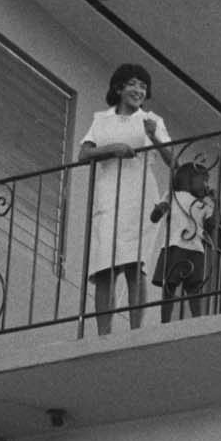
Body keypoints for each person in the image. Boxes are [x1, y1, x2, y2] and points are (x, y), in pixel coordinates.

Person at [78, 63, 171, 334]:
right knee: (105, 265)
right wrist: (112, 149)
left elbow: (172, 159)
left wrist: (153, 135)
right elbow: (84, 154)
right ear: (119, 88)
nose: (138, 90)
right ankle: (103, 334)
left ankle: (135, 331)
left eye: (143, 86)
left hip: (140, 193)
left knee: (134, 263)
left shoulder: (152, 120)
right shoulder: (101, 119)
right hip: (109, 194)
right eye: (133, 84)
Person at [149, 158, 215, 322]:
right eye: (204, 180)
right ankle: (165, 320)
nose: (206, 185)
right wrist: (159, 210)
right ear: (190, 178)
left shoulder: (204, 204)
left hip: (196, 249)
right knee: (169, 284)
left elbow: (211, 226)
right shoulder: (173, 195)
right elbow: (154, 217)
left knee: (194, 287)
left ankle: (197, 319)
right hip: (174, 245)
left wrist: (215, 204)